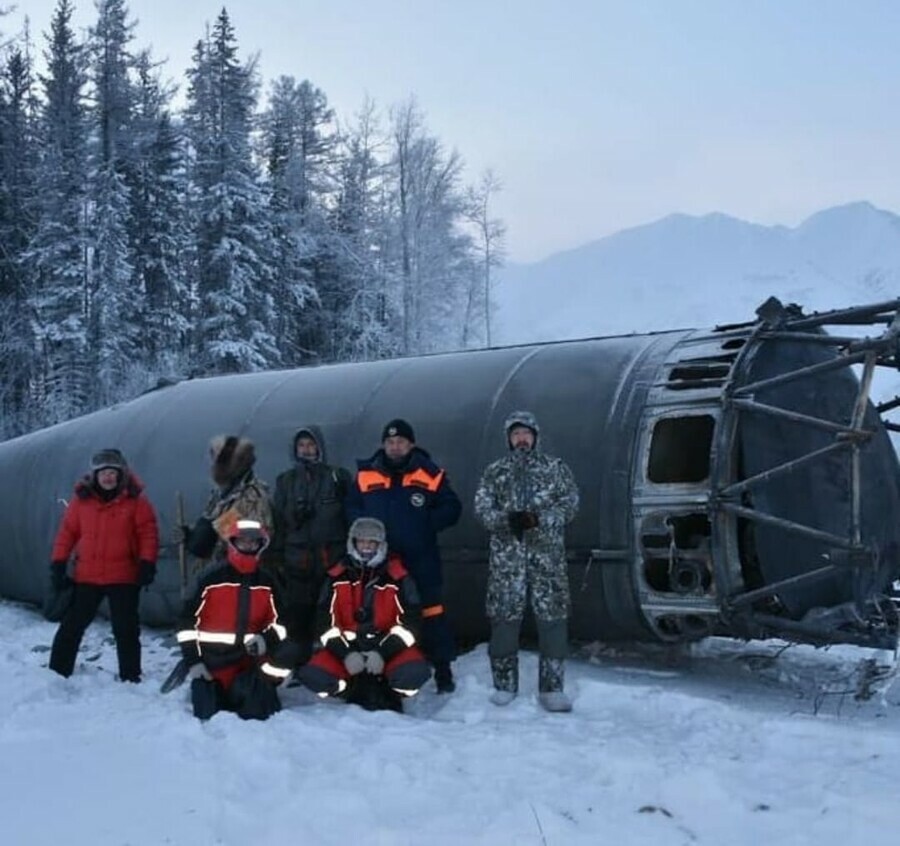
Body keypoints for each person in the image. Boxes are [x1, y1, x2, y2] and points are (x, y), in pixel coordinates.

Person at [473, 411, 580, 712]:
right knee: (504, 619)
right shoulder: (495, 472)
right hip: (508, 563)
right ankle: (504, 685)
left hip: (547, 560)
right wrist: (508, 520)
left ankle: (552, 688)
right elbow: (482, 509)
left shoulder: (555, 469)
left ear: (535, 437)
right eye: (516, 434)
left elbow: (570, 504)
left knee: (553, 620)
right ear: (509, 439)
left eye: (526, 434)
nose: (521, 439)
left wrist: (539, 520)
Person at [346, 419, 462, 693]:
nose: (394, 447)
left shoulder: (430, 473)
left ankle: (442, 669)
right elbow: (351, 506)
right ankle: (382, 668)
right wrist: (365, 529)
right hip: (378, 560)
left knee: (431, 611)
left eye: (400, 442)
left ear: (411, 444)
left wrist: (425, 524)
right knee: (381, 613)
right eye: (389, 442)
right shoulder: (365, 474)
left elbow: (452, 507)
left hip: (420, 558)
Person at [296, 517, 430, 710]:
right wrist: (347, 654)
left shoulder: (400, 577)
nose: (366, 546)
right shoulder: (335, 576)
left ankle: (389, 688)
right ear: (353, 543)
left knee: (414, 674)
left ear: (381, 545)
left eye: (372, 542)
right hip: (348, 649)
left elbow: (411, 624)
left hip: (388, 648)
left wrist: (382, 653)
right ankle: (349, 689)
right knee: (314, 676)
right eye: (362, 541)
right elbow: (323, 624)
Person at [48, 449, 159, 682]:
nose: (108, 477)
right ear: (95, 476)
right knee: (72, 626)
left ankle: (130, 677)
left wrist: (147, 562)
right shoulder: (81, 502)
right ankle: (57, 672)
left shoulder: (136, 501)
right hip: (87, 576)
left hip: (123, 576)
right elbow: (67, 533)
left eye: (112, 472)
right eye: (103, 473)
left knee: (126, 629)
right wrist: (58, 562)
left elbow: (147, 533)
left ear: (121, 475)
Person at [176, 519, 295, 720]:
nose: (248, 546)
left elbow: (284, 622)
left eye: (254, 542)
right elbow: (186, 624)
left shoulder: (268, 580)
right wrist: (193, 662)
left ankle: (265, 684)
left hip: (250, 661)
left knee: (260, 711)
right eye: (243, 541)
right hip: (212, 661)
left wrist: (265, 639)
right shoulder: (209, 578)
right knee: (207, 712)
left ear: (261, 545)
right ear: (232, 543)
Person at [268, 426, 351, 659]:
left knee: (331, 612)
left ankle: (332, 658)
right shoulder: (285, 481)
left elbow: (349, 515)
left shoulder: (337, 476)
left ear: (320, 447)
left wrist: (349, 555)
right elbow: (278, 521)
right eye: (301, 445)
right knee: (299, 613)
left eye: (311, 444)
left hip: (331, 559)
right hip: (298, 562)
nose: (306, 449)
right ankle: (300, 661)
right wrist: (277, 556)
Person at [181, 434, 272, 564]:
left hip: (243, 570)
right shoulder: (220, 494)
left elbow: (259, 538)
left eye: (220, 460)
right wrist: (192, 535)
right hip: (221, 567)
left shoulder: (253, 496)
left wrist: (220, 530)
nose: (215, 465)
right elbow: (213, 527)